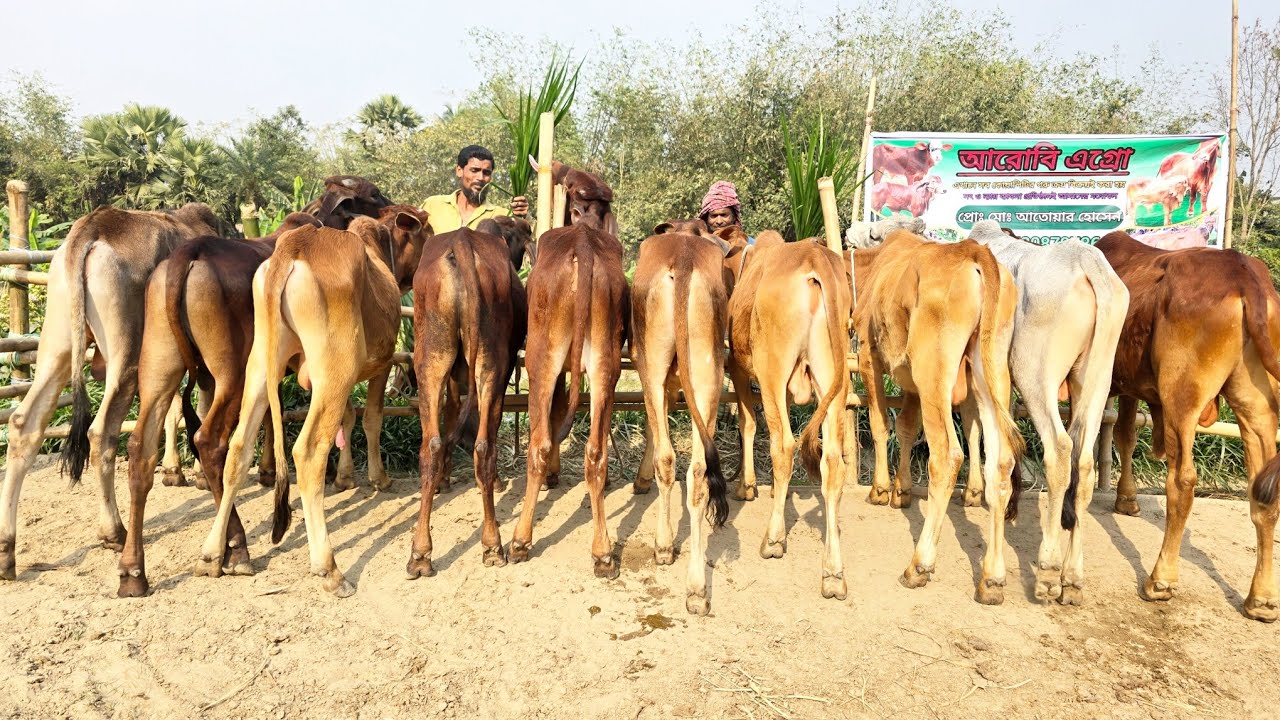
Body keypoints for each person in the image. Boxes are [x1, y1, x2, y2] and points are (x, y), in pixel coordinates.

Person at [422, 145, 528, 232]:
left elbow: (534, 247)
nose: (480, 178)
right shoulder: (432, 206)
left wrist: (524, 219)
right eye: (474, 170)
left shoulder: (502, 217)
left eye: (486, 173)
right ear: (459, 170)